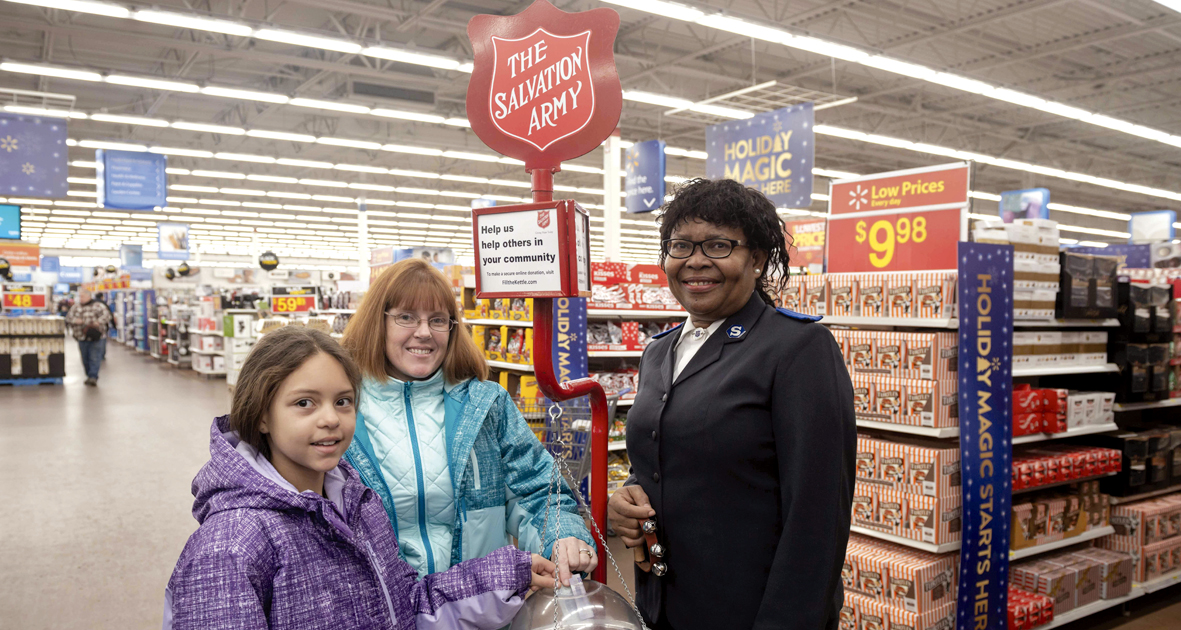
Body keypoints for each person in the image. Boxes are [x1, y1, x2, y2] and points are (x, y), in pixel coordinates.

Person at [164, 326, 556, 630]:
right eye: (305, 403)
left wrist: (506, 573)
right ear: (262, 414)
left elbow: (406, 608)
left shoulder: (357, 506)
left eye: (343, 401)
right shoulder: (230, 545)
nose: (331, 418)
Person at [608, 178, 856, 630]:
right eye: (680, 246)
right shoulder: (658, 352)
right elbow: (665, 456)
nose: (696, 260)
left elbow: (817, 519)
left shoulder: (798, 349)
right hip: (663, 606)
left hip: (750, 613)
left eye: (719, 245)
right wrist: (629, 493)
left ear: (757, 258)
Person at [341, 258, 598, 585]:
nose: (424, 333)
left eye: (437, 320)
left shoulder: (486, 404)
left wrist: (564, 536)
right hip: (386, 611)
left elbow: (538, 490)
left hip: (481, 605)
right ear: (378, 322)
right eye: (406, 317)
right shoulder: (342, 406)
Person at [65, 289, 111, 386]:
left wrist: (98, 322)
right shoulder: (75, 307)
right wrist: (75, 321)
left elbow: (107, 316)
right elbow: (68, 318)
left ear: (89, 296)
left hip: (97, 337)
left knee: (95, 357)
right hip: (81, 337)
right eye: (80, 296)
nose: (81, 298)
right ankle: (89, 375)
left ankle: (93, 376)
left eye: (83, 296)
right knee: (85, 358)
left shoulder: (98, 306)